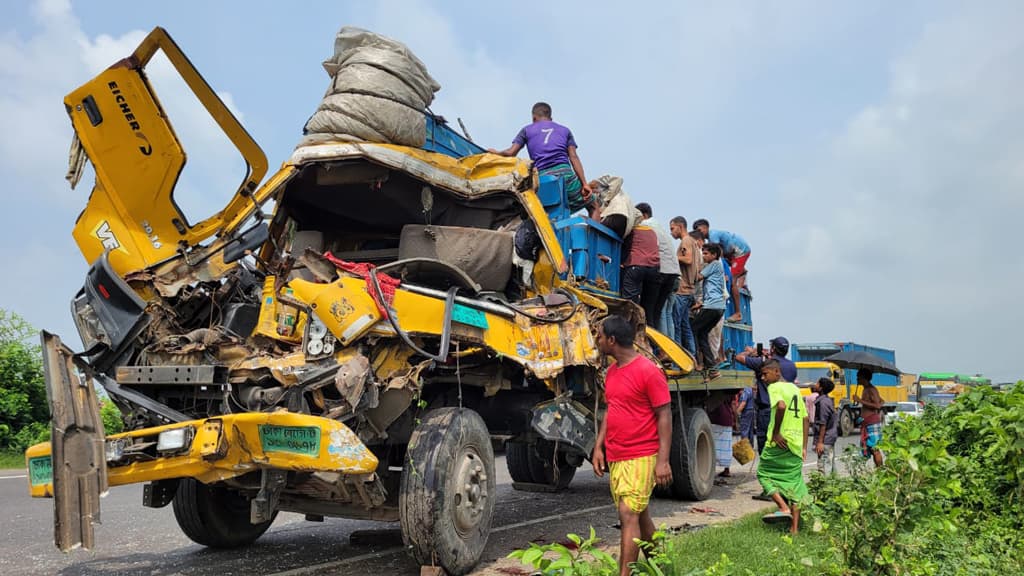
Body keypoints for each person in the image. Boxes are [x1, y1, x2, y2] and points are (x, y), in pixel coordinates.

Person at [591, 315, 673, 576]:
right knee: (640, 516)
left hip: (642, 453)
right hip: (617, 454)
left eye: (600, 336)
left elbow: (665, 415)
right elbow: (611, 409)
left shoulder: (649, 371)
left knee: (628, 514)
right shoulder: (612, 373)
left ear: (612, 341)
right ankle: (663, 568)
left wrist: (663, 460)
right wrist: (598, 446)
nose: (598, 340)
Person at [490, 102, 594, 215]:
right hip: (566, 177)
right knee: (594, 206)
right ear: (551, 118)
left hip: (543, 179)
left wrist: (496, 153)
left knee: (546, 213)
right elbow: (573, 157)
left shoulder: (526, 130)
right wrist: (584, 184)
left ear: (534, 118)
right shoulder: (565, 130)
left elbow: (511, 153)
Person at [755, 359, 809, 534]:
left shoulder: (774, 387)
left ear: (777, 372)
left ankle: (783, 507)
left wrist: (776, 433)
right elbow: (805, 418)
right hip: (795, 444)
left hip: (778, 441)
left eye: (765, 374)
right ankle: (794, 529)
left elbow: (781, 406)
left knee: (763, 473)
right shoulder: (794, 388)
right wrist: (804, 446)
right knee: (795, 484)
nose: (763, 378)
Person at [734, 337, 797, 456]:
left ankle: (767, 469)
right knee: (782, 442)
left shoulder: (764, 364)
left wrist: (751, 352)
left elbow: (738, 357)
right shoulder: (792, 366)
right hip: (786, 409)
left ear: (773, 348)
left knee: (765, 444)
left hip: (767, 410)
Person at [692, 219, 751, 323]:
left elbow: (718, 256)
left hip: (740, 251)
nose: (699, 232)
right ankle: (741, 271)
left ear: (706, 227)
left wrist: (722, 275)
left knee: (732, 281)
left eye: (699, 229)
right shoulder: (712, 237)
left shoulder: (713, 235)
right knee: (729, 269)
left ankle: (738, 313)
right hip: (732, 253)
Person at [636, 203, 680, 338]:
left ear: (644, 215)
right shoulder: (659, 227)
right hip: (673, 273)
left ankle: (652, 346)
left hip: (661, 271)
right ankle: (664, 350)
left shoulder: (645, 225)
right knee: (658, 311)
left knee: (648, 310)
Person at [691, 243, 726, 381]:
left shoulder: (715, 264)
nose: (703, 256)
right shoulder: (715, 266)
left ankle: (697, 360)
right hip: (716, 307)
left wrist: (691, 266)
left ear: (714, 255)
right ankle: (712, 369)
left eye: (705, 253)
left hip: (713, 307)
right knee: (702, 333)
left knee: (693, 329)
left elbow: (698, 277)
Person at [621, 218, 662, 326]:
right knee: (649, 310)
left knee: (630, 305)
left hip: (636, 265)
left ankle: (629, 334)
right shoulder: (652, 231)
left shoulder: (632, 230)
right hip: (655, 269)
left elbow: (625, 247)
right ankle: (650, 338)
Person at [669, 216, 700, 355]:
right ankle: (691, 355)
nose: (671, 232)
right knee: (685, 324)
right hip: (690, 290)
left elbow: (687, 259)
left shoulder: (686, 241)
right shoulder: (694, 242)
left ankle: (678, 357)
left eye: (672, 228)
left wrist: (670, 257)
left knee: (676, 324)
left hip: (682, 290)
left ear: (680, 227)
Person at [852, 369, 885, 468]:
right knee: (868, 449)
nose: (857, 379)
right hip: (866, 423)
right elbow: (882, 401)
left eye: (859, 377)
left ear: (864, 378)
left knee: (875, 449)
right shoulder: (865, 389)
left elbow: (878, 405)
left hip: (872, 423)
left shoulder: (871, 389)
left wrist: (860, 400)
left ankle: (881, 470)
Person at [813, 378, 839, 475]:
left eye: (817, 383)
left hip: (826, 438)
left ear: (821, 388)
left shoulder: (823, 403)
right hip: (830, 436)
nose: (814, 385)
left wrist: (820, 442)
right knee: (830, 463)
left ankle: (826, 486)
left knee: (823, 465)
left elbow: (823, 424)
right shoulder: (826, 400)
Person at [709, 399, 735, 480]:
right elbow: (733, 405)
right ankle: (727, 470)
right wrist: (736, 421)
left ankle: (711, 470)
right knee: (726, 446)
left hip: (715, 418)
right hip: (727, 419)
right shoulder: (729, 392)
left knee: (713, 446)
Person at [737, 383, 757, 448]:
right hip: (751, 410)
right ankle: (751, 447)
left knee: (744, 430)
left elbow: (743, 403)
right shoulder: (750, 389)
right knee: (750, 430)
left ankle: (745, 449)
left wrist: (737, 412)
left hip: (746, 412)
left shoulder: (746, 389)